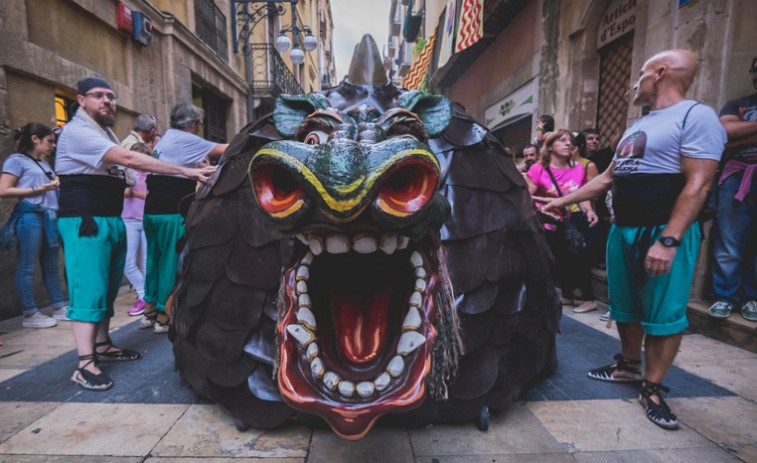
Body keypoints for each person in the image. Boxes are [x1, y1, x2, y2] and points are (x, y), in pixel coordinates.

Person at [537, 50, 727, 429]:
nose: (634, 81)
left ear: (659, 73)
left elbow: (699, 183)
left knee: (663, 315)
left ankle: (652, 388)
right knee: (625, 306)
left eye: (640, 73)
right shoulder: (638, 124)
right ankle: (627, 365)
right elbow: (607, 178)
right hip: (622, 229)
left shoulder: (696, 116)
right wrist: (560, 200)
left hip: (661, 230)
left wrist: (669, 240)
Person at [55, 76, 216, 391]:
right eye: (98, 96)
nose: (107, 101)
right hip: (86, 220)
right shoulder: (78, 131)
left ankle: (102, 345)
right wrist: (186, 170)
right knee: (89, 287)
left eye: (111, 96)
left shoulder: (104, 131)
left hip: (107, 218)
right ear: (81, 99)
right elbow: (128, 159)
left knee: (106, 286)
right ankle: (85, 363)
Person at [140, 102, 227, 334]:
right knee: (171, 261)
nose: (199, 127)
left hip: (152, 210)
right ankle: (163, 315)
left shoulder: (167, 137)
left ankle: (149, 310)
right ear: (191, 123)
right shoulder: (186, 139)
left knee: (154, 259)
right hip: (172, 209)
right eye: (198, 123)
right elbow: (224, 149)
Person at [0, 123, 67, 328]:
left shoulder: (44, 163)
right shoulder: (16, 160)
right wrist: (36, 190)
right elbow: (3, 189)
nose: (53, 145)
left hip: (49, 217)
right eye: (49, 141)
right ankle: (30, 313)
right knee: (27, 266)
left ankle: (59, 306)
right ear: (35, 139)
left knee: (50, 265)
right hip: (30, 216)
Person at [525, 129, 598, 313]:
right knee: (548, 262)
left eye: (570, 141)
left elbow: (581, 195)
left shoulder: (578, 169)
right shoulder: (538, 169)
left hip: (568, 219)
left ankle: (588, 299)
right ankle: (553, 297)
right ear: (550, 147)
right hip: (544, 224)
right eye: (562, 140)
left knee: (577, 257)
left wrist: (589, 210)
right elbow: (525, 197)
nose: (568, 144)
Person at [708, 56, 757, 322]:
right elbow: (724, 131)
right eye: (756, 69)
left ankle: (751, 297)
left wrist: (742, 135)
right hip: (737, 175)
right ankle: (724, 295)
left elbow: (734, 136)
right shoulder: (738, 104)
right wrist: (733, 136)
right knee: (728, 239)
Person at [121, 143, 150, 317]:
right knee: (128, 262)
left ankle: (147, 299)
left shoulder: (150, 175)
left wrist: (136, 193)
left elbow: (152, 197)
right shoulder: (126, 174)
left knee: (146, 262)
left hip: (146, 219)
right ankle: (143, 294)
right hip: (128, 219)